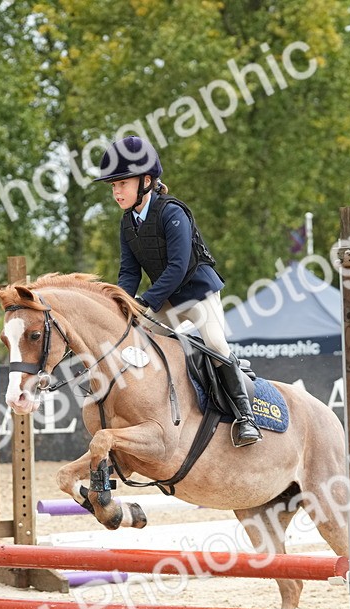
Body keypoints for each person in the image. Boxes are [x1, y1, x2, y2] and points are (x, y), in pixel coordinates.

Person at [95, 135, 261, 447]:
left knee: (214, 342)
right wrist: (121, 304)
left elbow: (178, 266)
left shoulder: (172, 212)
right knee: (134, 341)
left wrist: (146, 301)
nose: (116, 191)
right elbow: (129, 271)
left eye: (122, 184)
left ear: (146, 181)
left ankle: (245, 416)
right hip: (166, 297)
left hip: (198, 293)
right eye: (113, 186)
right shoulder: (127, 222)